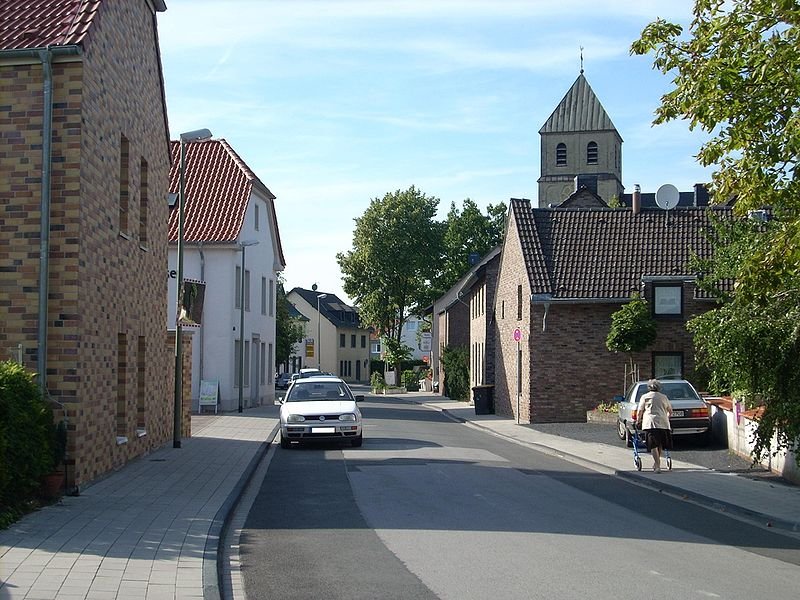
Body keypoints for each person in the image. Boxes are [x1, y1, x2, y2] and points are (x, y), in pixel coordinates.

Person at [635, 379, 673, 473]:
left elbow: (640, 411)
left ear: (649, 387)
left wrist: (638, 420)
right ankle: (657, 464)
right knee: (659, 444)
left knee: (653, 445)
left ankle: (657, 465)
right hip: (663, 423)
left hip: (650, 423)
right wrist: (667, 418)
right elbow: (670, 411)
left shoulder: (645, 397)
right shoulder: (664, 397)